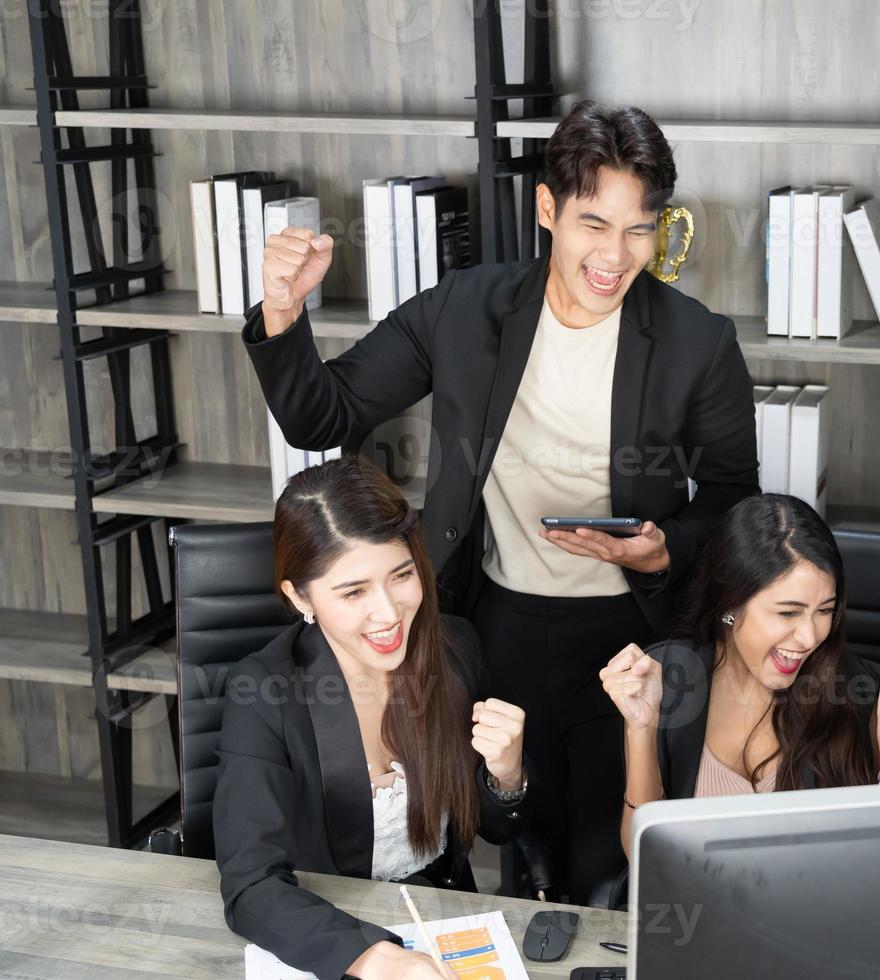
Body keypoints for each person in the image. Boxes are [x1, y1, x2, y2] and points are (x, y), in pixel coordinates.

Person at [240, 101, 759, 901]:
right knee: (514, 835)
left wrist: (662, 549)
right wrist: (283, 311)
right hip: (495, 622)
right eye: (594, 224)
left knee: (610, 863)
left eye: (638, 229)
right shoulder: (465, 309)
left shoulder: (697, 342)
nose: (615, 257)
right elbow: (325, 414)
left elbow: (735, 505)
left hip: (629, 634)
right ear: (548, 210)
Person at [214, 457, 531, 980]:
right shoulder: (264, 690)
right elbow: (250, 885)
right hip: (327, 930)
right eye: (353, 592)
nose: (388, 613)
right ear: (300, 597)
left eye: (401, 575)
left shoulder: (454, 650)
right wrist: (379, 959)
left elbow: (494, 831)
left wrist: (507, 774)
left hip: (443, 920)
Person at [602, 494, 880, 853]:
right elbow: (643, 855)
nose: (810, 637)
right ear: (729, 605)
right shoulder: (665, 679)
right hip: (695, 906)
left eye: (824, 610)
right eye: (788, 613)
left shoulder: (864, 694)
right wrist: (641, 730)